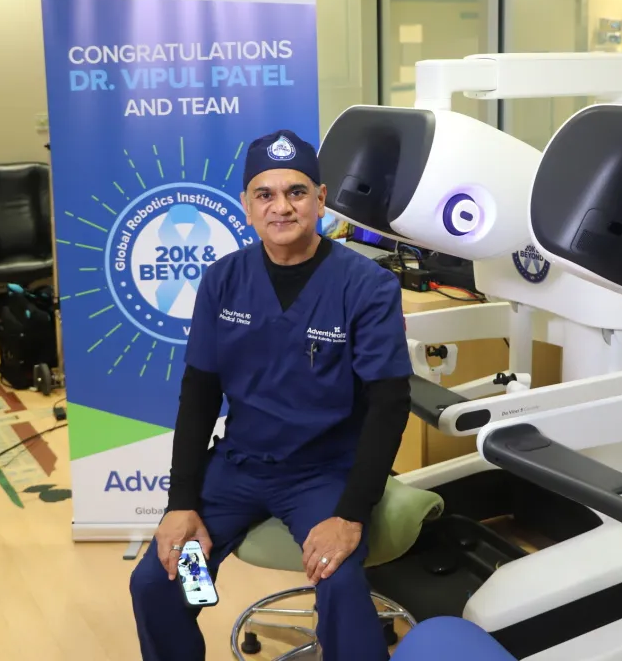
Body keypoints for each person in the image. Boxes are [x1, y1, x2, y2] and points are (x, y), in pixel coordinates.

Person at [130, 129, 414, 661]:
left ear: (321, 199)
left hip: (324, 474)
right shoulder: (223, 281)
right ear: (246, 205)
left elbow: (389, 405)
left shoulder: (366, 285)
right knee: (160, 579)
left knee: (340, 583)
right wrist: (182, 502)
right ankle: (198, 598)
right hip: (239, 468)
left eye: (297, 192)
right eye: (266, 194)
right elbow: (199, 394)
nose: (281, 207)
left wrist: (350, 514)